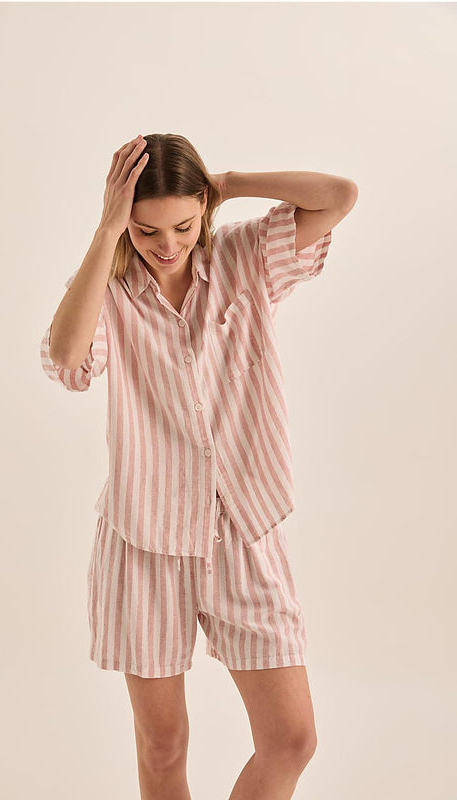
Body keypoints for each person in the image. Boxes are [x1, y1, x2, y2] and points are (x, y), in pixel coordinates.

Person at [40, 132, 357, 800]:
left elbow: (338, 196)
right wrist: (106, 230)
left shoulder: (244, 257)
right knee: (162, 746)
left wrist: (229, 183)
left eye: (183, 226)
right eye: (146, 229)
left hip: (244, 526)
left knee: (291, 739)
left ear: (203, 212)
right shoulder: (110, 289)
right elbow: (68, 359)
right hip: (144, 537)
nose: (167, 245)